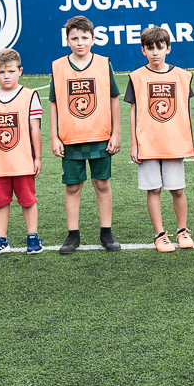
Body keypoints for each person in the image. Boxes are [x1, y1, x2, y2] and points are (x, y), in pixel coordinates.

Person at [51, 16, 122, 253]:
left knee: (102, 183)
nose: (80, 42)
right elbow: (54, 103)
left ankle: (106, 233)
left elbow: (114, 99)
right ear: (67, 40)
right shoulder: (58, 66)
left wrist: (116, 133)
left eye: (84, 37)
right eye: (74, 38)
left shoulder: (103, 63)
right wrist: (54, 136)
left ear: (93, 38)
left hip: (101, 135)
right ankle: (73, 235)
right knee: (72, 187)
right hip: (71, 138)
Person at [126, 26, 194, 252]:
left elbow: (185, 109)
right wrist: (134, 143)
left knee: (177, 189)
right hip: (148, 141)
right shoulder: (136, 77)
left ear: (169, 48)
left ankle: (183, 230)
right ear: (143, 50)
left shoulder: (182, 76)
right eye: (150, 48)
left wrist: (190, 138)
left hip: (174, 141)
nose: (155, 52)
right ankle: (159, 235)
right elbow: (134, 111)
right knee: (153, 189)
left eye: (160, 47)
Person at [0, 49, 43, 257]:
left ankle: (32, 235)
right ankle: (0, 239)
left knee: (27, 199)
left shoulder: (29, 95)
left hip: (22, 160)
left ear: (20, 71)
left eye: (11, 71)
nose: (6, 76)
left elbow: (35, 129)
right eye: (1, 72)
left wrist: (37, 157)